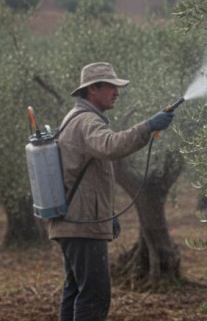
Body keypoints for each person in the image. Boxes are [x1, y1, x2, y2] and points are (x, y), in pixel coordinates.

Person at [48, 62, 174, 321]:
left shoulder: (74, 118)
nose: (117, 92)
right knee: (94, 296)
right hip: (82, 225)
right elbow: (110, 145)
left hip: (74, 222)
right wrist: (147, 127)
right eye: (112, 87)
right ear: (93, 89)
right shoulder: (86, 121)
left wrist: (107, 213)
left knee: (75, 292)